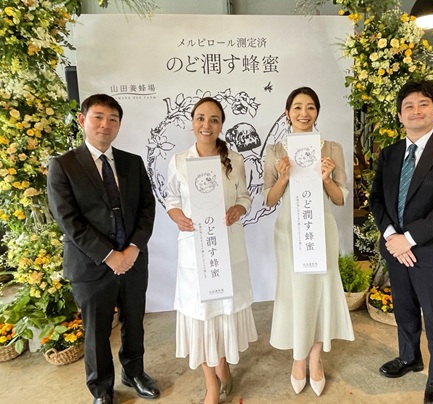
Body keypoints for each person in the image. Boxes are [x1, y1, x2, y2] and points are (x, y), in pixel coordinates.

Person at [47, 94, 160, 404]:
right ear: (83, 120)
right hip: (91, 264)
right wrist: (110, 256)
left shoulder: (132, 163)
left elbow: (147, 209)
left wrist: (133, 248)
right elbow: (68, 220)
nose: (105, 125)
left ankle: (134, 372)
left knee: (134, 322)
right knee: (96, 331)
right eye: (98, 117)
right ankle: (101, 389)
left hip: (133, 260)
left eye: (113, 119)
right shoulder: (63, 165)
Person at [370, 80, 433, 404]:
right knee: (404, 309)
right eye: (408, 106)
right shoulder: (389, 154)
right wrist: (392, 236)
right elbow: (376, 200)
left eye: (423, 104)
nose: (416, 111)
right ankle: (409, 357)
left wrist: (409, 239)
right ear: (400, 115)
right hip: (396, 250)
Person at [263, 87, 354, 397]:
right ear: (287, 112)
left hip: (321, 230)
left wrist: (326, 179)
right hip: (289, 231)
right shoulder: (276, 151)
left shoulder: (332, 148)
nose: (304, 113)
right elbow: (269, 199)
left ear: (317, 112)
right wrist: (283, 178)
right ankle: (297, 357)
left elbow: (340, 199)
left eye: (311, 107)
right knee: (295, 292)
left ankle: (315, 357)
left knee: (320, 290)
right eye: (298, 107)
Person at [165, 97, 257, 404]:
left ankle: (224, 365)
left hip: (227, 250)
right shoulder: (179, 161)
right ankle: (211, 385)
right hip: (195, 253)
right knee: (201, 315)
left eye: (214, 119)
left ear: (221, 125)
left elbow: (245, 197)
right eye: (201, 118)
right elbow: (171, 200)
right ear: (192, 122)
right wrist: (177, 216)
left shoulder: (235, 160)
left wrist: (238, 210)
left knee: (223, 311)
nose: (207, 125)